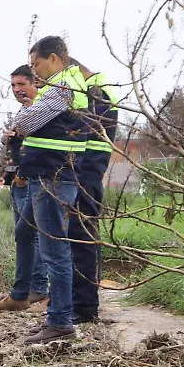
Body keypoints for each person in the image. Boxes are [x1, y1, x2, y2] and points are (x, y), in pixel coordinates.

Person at [9, 35, 89, 344]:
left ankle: (60, 322)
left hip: (54, 178)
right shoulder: (61, 85)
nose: (34, 72)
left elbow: (26, 123)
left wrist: (21, 120)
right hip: (50, 176)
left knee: (55, 252)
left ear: (53, 58)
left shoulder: (62, 87)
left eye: (36, 64)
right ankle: (51, 311)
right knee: (40, 241)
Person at [0, 65, 49, 312]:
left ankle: (34, 290)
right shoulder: (24, 112)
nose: (16, 90)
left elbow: (37, 148)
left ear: (36, 83)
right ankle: (28, 290)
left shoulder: (42, 112)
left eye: (21, 84)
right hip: (17, 182)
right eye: (13, 85)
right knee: (25, 235)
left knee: (32, 236)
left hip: (32, 181)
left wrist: (23, 173)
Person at [69, 59, 120, 324]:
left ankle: (84, 308)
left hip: (85, 173)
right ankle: (84, 304)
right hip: (89, 172)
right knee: (85, 237)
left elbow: (82, 135)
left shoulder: (93, 92)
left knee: (82, 238)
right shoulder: (97, 88)